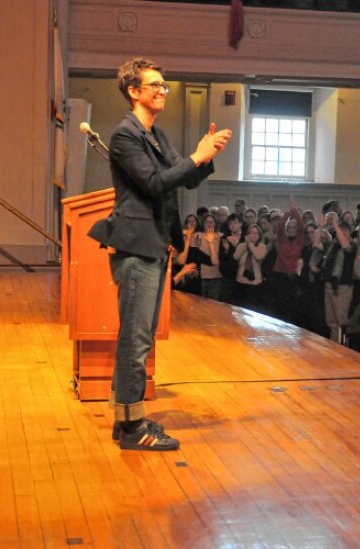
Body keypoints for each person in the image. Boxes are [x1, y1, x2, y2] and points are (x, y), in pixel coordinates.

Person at [87, 57, 232, 451]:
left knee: (140, 337)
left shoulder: (158, 136)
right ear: (133, 91)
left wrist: (205, 154)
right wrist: (196, 158)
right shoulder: (124, 135)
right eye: (154, 85)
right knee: (135, 340)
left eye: (164, 85)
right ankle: (133, 430)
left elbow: (179, 176)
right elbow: (153, 183)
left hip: (153, 244)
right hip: (136, 246)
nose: (162, 90)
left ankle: (126, 418)